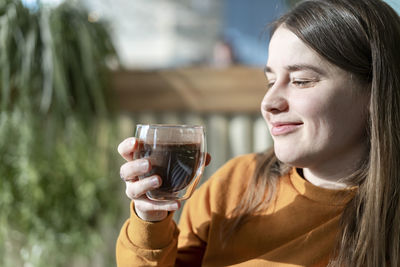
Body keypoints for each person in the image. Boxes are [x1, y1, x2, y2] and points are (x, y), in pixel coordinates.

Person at [116, 0, 400, 266]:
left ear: (376, 91)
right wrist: (149, 220)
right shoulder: (235, 186)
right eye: (270, 81)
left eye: (301, 81)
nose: (269, 104)